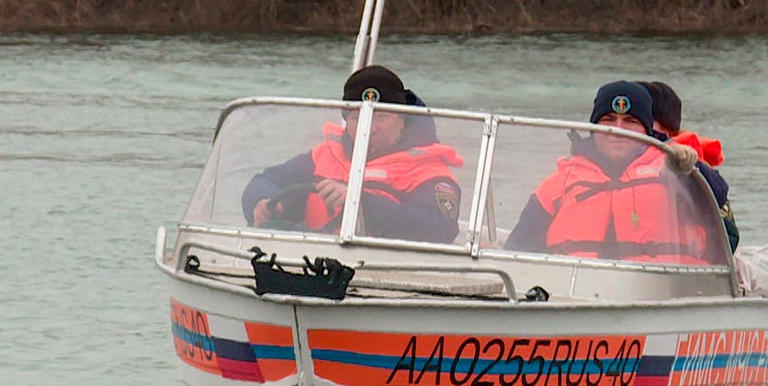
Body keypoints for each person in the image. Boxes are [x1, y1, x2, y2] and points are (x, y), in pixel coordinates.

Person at [505, 80, 731, 261]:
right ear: (593, 127)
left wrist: (691, 172)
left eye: (630, 121)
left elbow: (719, 198)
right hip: (574, 298)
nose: (618, 130)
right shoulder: (560, 183)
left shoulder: (670, 168)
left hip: (662, 298)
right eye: (608, 119)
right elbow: (517, 250)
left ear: (646, 130)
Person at [241, 65, 463, 243]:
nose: (369, 127)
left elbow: (439, 229)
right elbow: (265, 180)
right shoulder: (324, 156)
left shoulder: (429, 171)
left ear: (403, 121)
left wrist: (358, 201)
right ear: (346, 121)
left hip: (391, 273)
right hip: (315, 265)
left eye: (381, 117)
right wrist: (263, 203)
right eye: (357, 118)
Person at [639, 80, 738, 249]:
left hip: (680, 266)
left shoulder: (687, 163)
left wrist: (680, 166)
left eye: (637, 120)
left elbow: (729, 235)